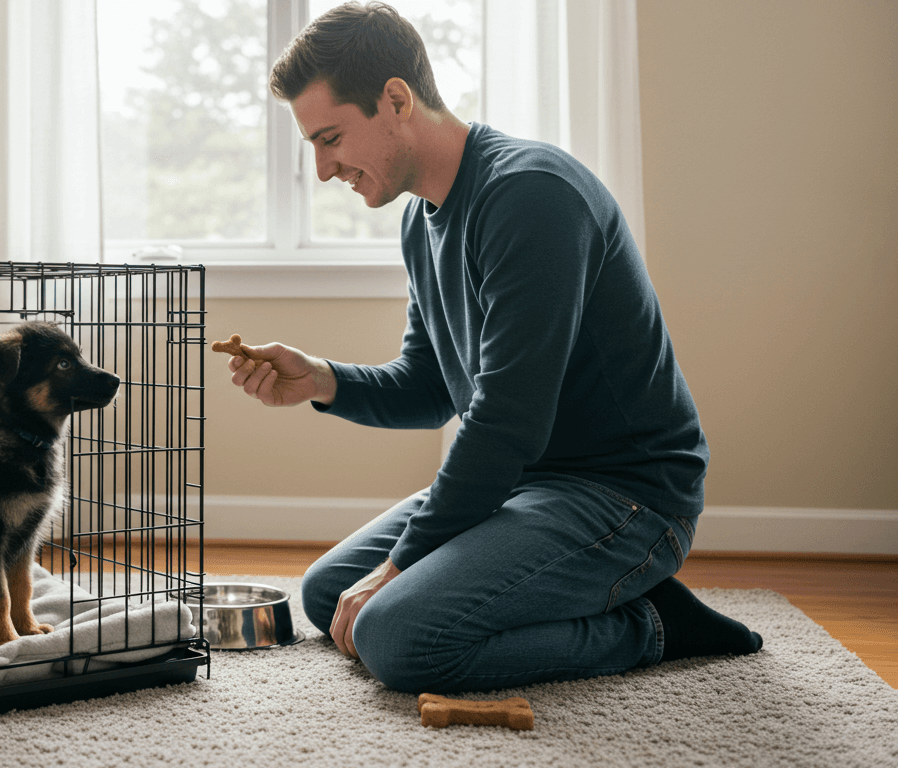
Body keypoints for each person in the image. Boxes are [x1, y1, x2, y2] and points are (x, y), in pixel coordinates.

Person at [225, 1, 763, 693]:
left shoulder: (531, 194)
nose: (326, 170)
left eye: (331, 138)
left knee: (396, 636)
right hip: (526, 485)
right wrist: (322, 379)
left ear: (395, 99)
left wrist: (397, 571)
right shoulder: (422, 221)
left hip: (624, 499)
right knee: (331, 593)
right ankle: (558, 591)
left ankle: (653, 624)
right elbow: (429, 388)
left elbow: (507, 418)